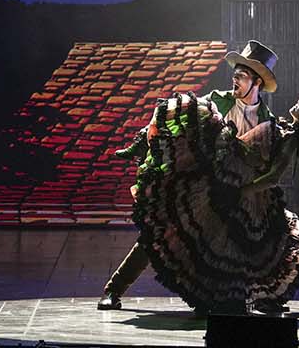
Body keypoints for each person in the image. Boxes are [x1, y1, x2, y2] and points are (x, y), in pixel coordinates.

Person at [99, 40, 279, 310]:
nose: (235, 81)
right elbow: (179, 111)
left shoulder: (266, 120)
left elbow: (265, 161)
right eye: (235, 75)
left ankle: (248, 297)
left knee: (236, 246)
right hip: (201, 183)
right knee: (163, 232)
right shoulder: (218, 99)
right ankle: (114, 289)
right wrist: (150, 132)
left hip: (233, 192)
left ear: (257, 83)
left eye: (241, 77)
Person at [129, 95, 299, 316]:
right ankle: (224, 298)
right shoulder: (283, 127)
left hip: (243, 190)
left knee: (231, 247)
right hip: (235, 178)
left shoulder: (291, 139)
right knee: (218, 241)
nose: (298, 102)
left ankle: (225, 298)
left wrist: (240, 192)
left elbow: (273, 177)